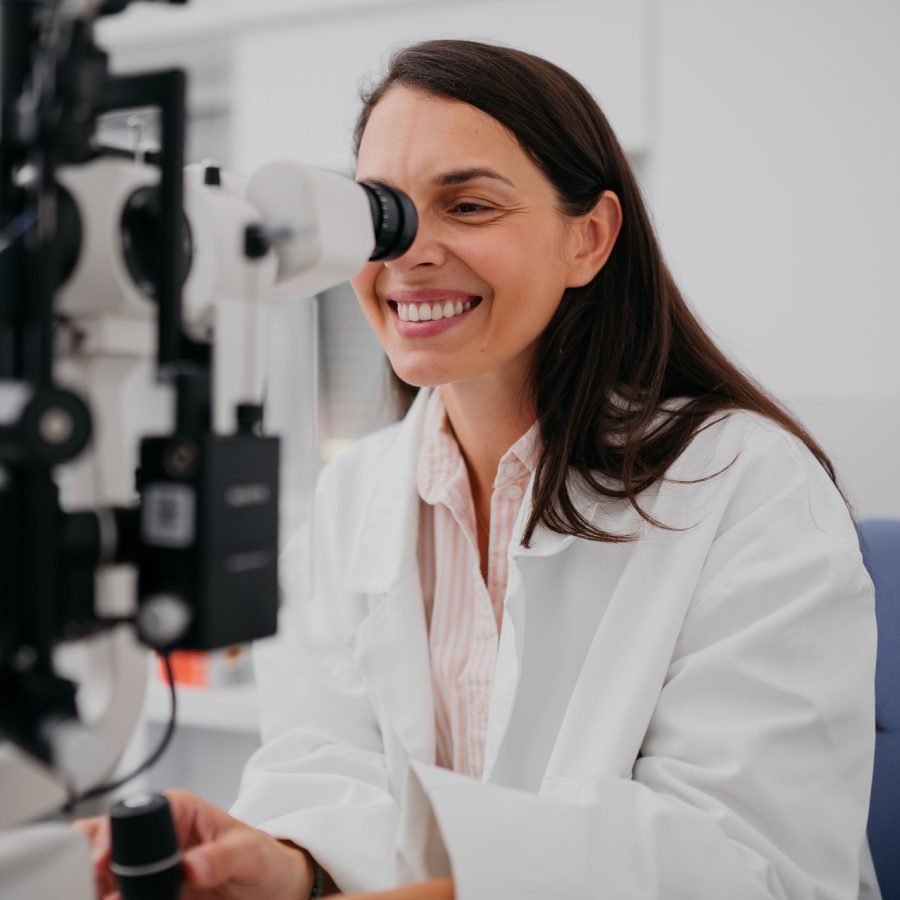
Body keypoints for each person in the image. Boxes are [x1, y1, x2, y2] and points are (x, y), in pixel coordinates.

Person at [78, 39, 879, 900]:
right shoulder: (354, 497)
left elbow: (746, 869)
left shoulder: (748, 488)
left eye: (467, 205)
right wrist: (284, 866)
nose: (409, 252)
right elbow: (326, 773)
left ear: (590, 238)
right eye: (381, 213)